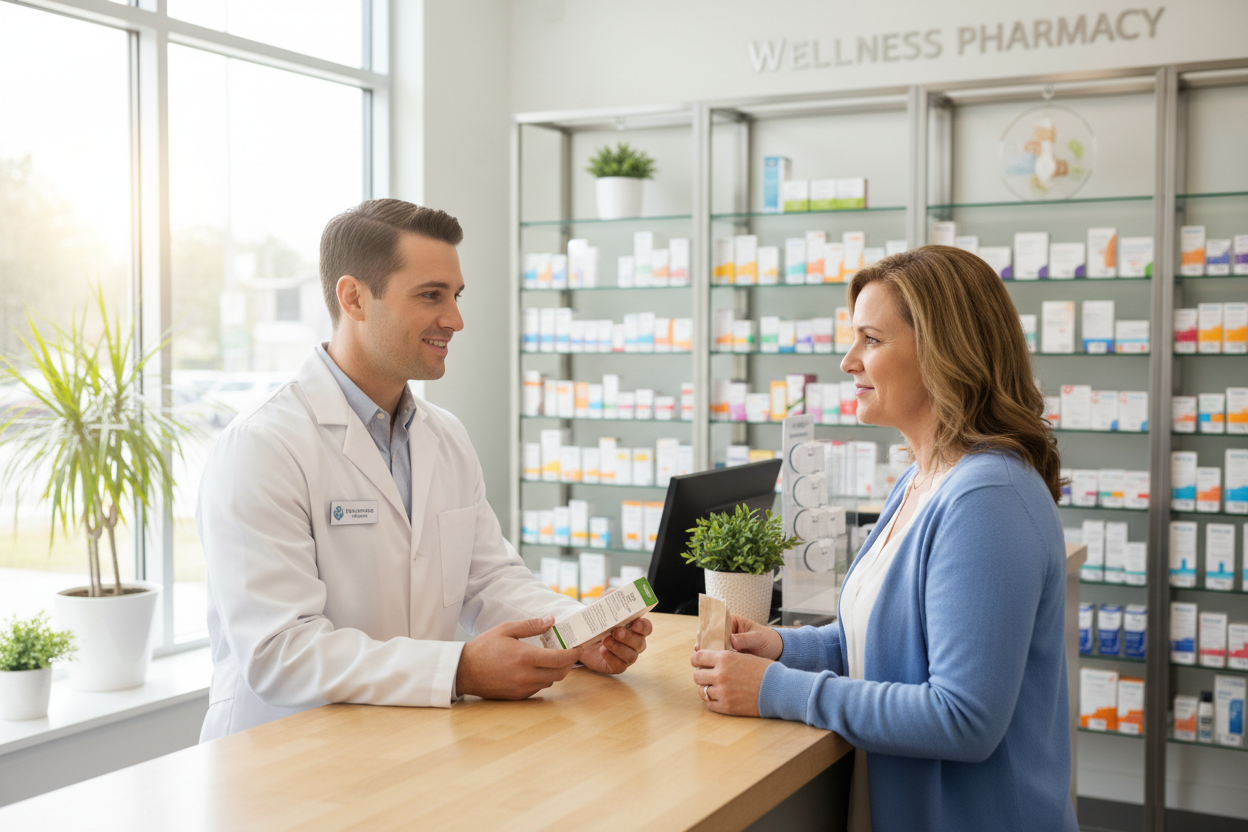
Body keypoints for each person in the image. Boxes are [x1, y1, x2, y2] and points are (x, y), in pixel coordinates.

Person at [198, 198, 651, 742]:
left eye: (455, 296)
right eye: (431, 296)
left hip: (406, 747)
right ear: (354, 298)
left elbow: (489, 579)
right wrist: (458, 669)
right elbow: (281, 653)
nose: (456, 320)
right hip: (285, 760)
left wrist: (577, 635)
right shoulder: (263, 447)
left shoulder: (445, 436)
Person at [691, 245, 1076, 831]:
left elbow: (962, 719)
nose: (849, 362)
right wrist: (783, 649)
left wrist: (779, 690)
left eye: (871, 340)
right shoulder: (921, 479)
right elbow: (883, 648)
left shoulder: (988, 497)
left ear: (945, 353)